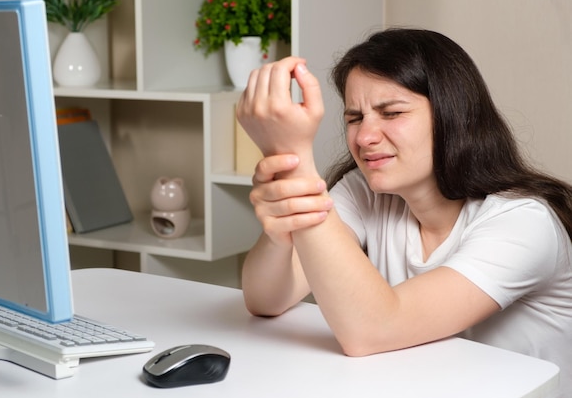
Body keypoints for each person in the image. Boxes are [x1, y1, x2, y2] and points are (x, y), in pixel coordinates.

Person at [235, 28, 572, 397]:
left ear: (451, 116)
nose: (364, 137)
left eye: (391, 113)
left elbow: (373, 329)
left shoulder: (524, 221)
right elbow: (265, 300)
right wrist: (284, 217)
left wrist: (294, 157)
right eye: (354, 118)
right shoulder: (366, 192)